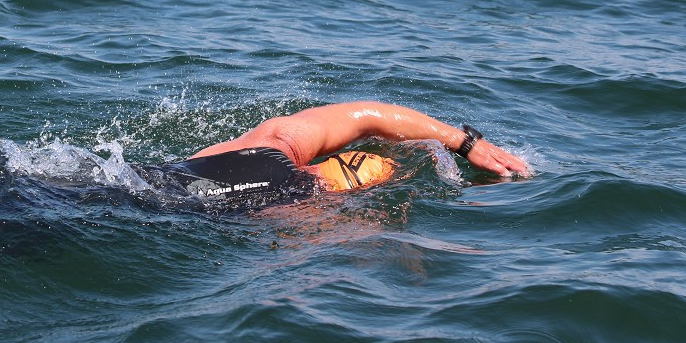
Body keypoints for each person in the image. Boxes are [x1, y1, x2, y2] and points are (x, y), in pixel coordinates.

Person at [139, 101, 529, 210]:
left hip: (128, 176)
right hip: (139, 212)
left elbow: (365, 117)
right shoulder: (298, 206)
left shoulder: (274, 147)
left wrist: (464, 142)